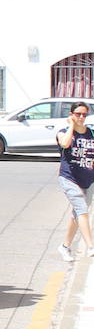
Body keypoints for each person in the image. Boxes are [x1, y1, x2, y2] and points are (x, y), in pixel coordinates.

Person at [56, 102, 94, 262]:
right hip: (69, 178)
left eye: (84, 114)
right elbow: (65, 144)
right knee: (82, 210)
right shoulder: (63, 132)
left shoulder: (91, 133)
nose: (81, 117)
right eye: (78, 114)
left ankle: (65, 246)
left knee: (77, 214)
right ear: (71, 114)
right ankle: (91, 246)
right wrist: (72, 125)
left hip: (88, 180)